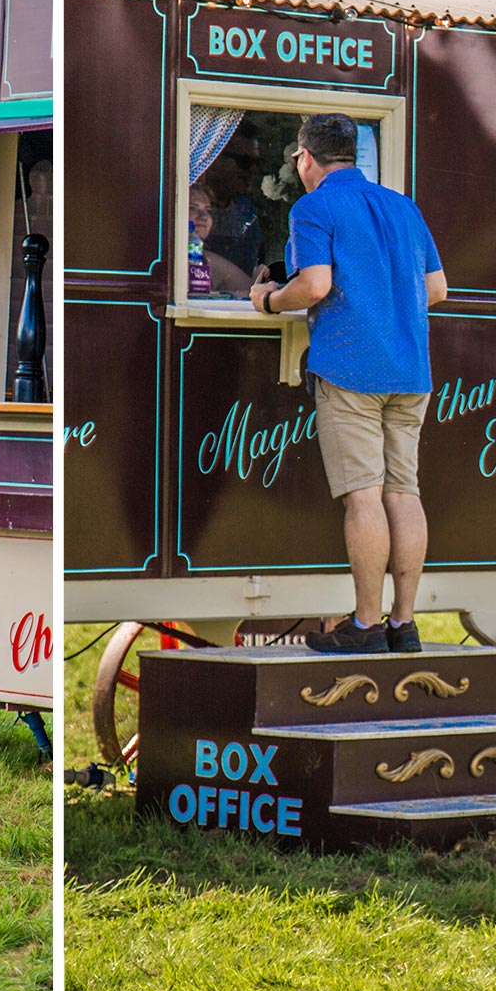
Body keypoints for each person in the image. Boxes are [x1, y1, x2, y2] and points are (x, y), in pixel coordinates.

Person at [251, 113, 447, 654]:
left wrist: (267, 299)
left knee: (363, 497)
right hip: (411, 372)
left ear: (305, 158)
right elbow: (437, 289)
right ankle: (403, 625)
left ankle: (364, 626)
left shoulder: (313, 206)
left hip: (350, 370)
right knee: (403, 492)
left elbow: (314, 285)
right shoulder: (403, 207)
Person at [204, 127, 265, 277]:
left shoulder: (246, 209)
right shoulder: (190, 207)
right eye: (244, 162)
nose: (252, 170)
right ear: (215, 159)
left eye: (256, 163)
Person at [187, 183, 252, 297]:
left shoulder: (203, 256)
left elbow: (251, 290)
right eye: (192, 208)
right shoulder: (165, 256)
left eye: (208, 210)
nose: (204, 216)